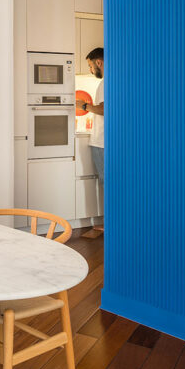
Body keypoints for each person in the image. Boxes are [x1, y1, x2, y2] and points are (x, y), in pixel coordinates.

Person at [76, 47, 104, 238]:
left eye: (90, 66)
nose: (91, 70)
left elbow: (103, 109)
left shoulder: (104, 83)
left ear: (99, 62)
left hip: (102, 141)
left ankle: (110, 223)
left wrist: (83, 105)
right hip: (105, 141)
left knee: (107, 182)